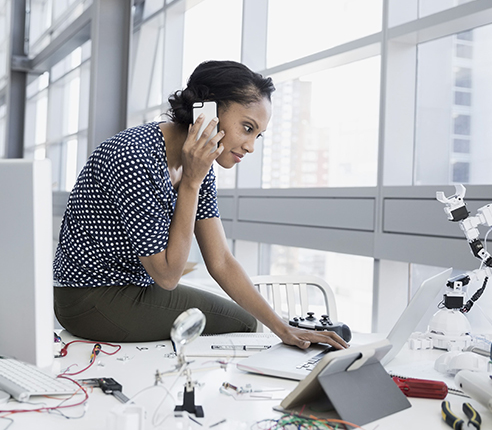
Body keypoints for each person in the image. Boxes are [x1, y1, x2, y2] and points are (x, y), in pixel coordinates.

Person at [53, 60, 348, 351]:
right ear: (206, 110)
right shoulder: (134, 157)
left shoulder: (200, 160)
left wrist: (283, 327)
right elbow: (168, 276)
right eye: (247, 127)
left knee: (248, 320)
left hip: (134, 289)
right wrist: (191, 183)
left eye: (257, 134)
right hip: (89, 299)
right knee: (245, 323)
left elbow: (220, 260)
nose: (250, 145)